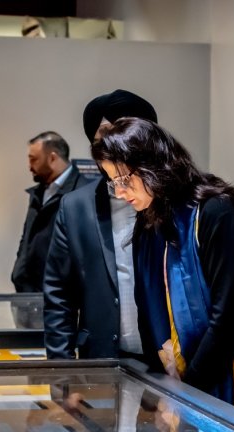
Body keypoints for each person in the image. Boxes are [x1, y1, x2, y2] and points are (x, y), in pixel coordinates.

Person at [92, 118, 234, 431]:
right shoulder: (148, 225)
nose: (120, 193)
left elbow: (230, 316)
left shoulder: (217, 211)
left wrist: (186, 392)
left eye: (123, 179)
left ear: (152, 166)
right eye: (112, 183)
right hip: (189, 386)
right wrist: (166, 387)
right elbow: (148, 317)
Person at [43, 89, 158, 360]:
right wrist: (62, 374)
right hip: (103, 357)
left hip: (170, 364)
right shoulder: (76, 207)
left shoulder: (175, 203)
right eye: (102, 141)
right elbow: (59, 295)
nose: (113, 151)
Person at [11, 131, 92, 293]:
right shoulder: (38, 193)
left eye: (34, 159)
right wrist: (18, 272)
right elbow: (27, 237)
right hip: (27, 293)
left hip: (61, 297)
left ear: (52, 158)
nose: (29, 166)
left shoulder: (83, 194)